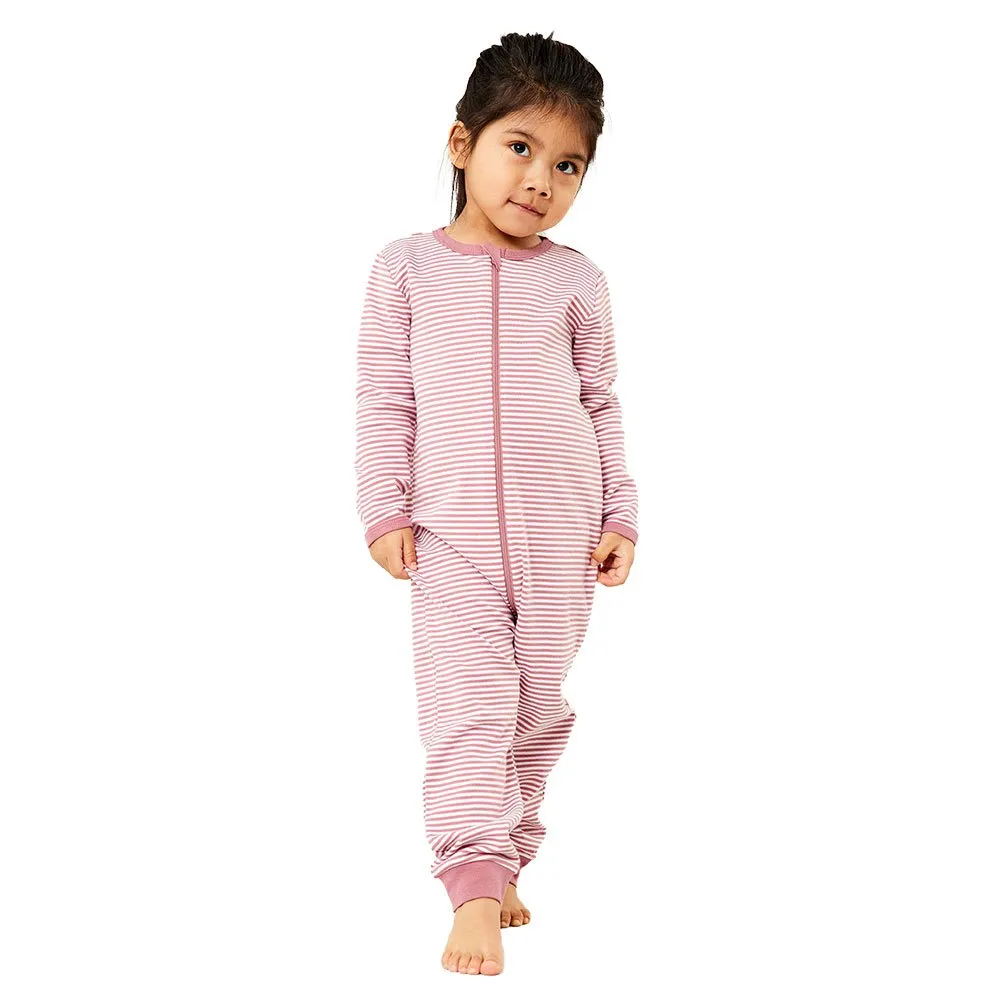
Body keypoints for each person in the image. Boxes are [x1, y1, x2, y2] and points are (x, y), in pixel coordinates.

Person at [353, 31, 639, 976]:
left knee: (537, 711)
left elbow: (600, 404)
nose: (540, 180)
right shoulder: (405, 268)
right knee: (469, 708)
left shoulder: (578, 281)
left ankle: (506, 854)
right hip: (452, 536)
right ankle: (471, 885)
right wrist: (384, 506)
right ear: (460, 143)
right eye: (519, 147)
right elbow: (385, 396)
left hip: (564, 540)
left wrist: (620, 513)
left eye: (568, 164)